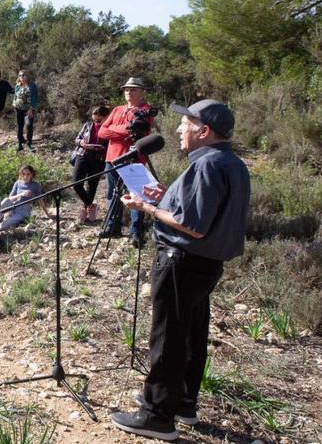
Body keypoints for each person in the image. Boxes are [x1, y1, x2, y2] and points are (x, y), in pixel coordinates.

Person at [109, 100, 250, 442]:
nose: (178, 130)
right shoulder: (231, 163)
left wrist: (144, 207)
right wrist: (167, 194)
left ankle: (157, 415)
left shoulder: (208, 165)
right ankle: (184, 403)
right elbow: (201, 211)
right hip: (205, 265)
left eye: (185, 124)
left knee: (168, 337)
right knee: (191, 333)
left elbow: (193, 225)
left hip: (181, 261)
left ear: (204, 131)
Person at [98, 77, 155, 247]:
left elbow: (138, 129)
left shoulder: (146, 110)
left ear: (141, 92)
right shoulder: (117, 110)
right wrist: (123, 131)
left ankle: (135, 232)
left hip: (134, 158)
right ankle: (112, 226)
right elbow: (102, 131)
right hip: (112, 157)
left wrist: (114, 130)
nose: (129, 92)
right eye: (127, 89)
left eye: (133, 89)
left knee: (136, 194)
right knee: (112, 193)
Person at [72, 106, 111, 223]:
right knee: (76, 184)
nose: (97, 118)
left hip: (98, 159)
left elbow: (109, 146)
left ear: (106, 117)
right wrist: (82, 143)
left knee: (92, 186)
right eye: (95, 115)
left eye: (100, 116)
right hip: (82, 155)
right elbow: (77, 139)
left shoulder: (109, 128)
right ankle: (91, 206)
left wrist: (99, 148)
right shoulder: (88, 125)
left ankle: (85, 208)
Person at [0, 165, 42, 230]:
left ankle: (10, 222)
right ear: (21, 174)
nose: (25, 176)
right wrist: (21, 194)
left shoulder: (35, 185)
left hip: (24, 209)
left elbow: (40, 199)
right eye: (23, 174)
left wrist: (47, 214)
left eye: (28, 174)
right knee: (6, 200)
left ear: (32, 174)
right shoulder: (17, 183)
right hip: (14, 205)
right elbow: (10, 198)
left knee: (2, 226)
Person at [12, 70, 39, 151]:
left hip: (28, 110)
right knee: (19, 126)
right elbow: (15, 96)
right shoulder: (17, 85)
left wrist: (31, 108)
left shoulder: (32, 85)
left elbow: (34, 97)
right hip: (18, 109)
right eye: (20, 75)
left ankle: (29, 144)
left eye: (23, 75)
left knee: (29, 125)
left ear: (27, 76)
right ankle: (20, 144)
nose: (22, 77)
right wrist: (14, 104)